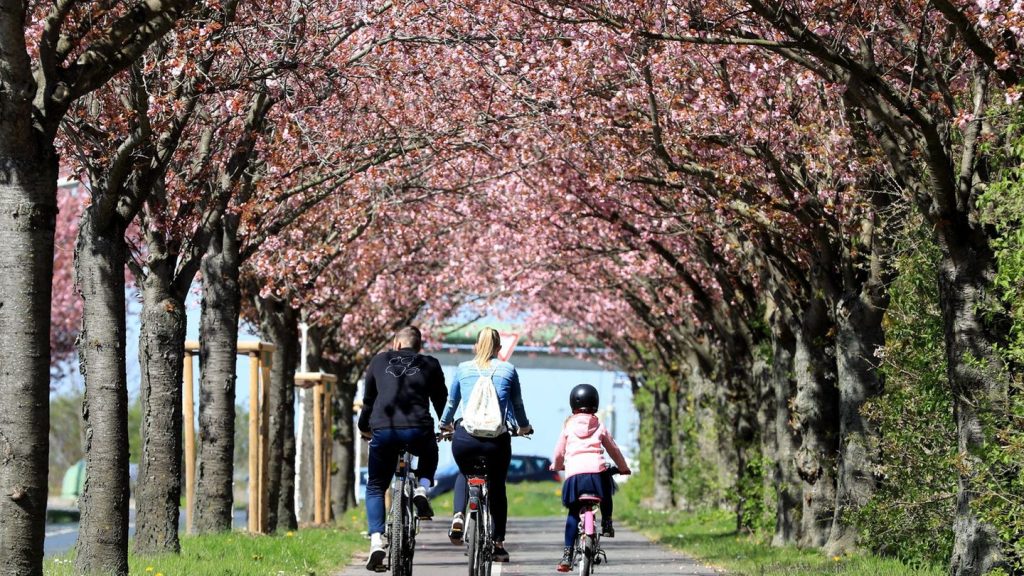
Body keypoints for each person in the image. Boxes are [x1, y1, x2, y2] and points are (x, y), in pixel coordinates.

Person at [438, 327, 532, 563]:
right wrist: (524, 427)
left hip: (465, 439)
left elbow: (451, 403)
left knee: (464, 472)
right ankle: (498, 543)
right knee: (498, 484)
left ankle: (459, 515)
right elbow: (517, 406)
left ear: (476, 346)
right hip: (496, 442)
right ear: (499, 349)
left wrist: (444, 425)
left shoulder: (463, 369)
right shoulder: (508, 370)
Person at [358, 325, 447, 571]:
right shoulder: (430, 363)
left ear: (396, 344)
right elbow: (441, 399)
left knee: (376, 485)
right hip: (418, 429)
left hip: (384, 430)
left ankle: (376, 540)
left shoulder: (378, 361)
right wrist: (447, 425)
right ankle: (422, 487)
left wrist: (364, 427)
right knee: (430, 453)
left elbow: (369, 401)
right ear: (419, 347)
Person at [550, 383, 631, 573]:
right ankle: (607, 523)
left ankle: (567, 555)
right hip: (596, 474)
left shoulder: (568, 427)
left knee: (572, 513)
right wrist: (623, 468)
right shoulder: (600, 426)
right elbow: (614, 449)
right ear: (595, 404)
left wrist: (556, 465)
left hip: (575, 478)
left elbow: (559, 452)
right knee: (607, 490)